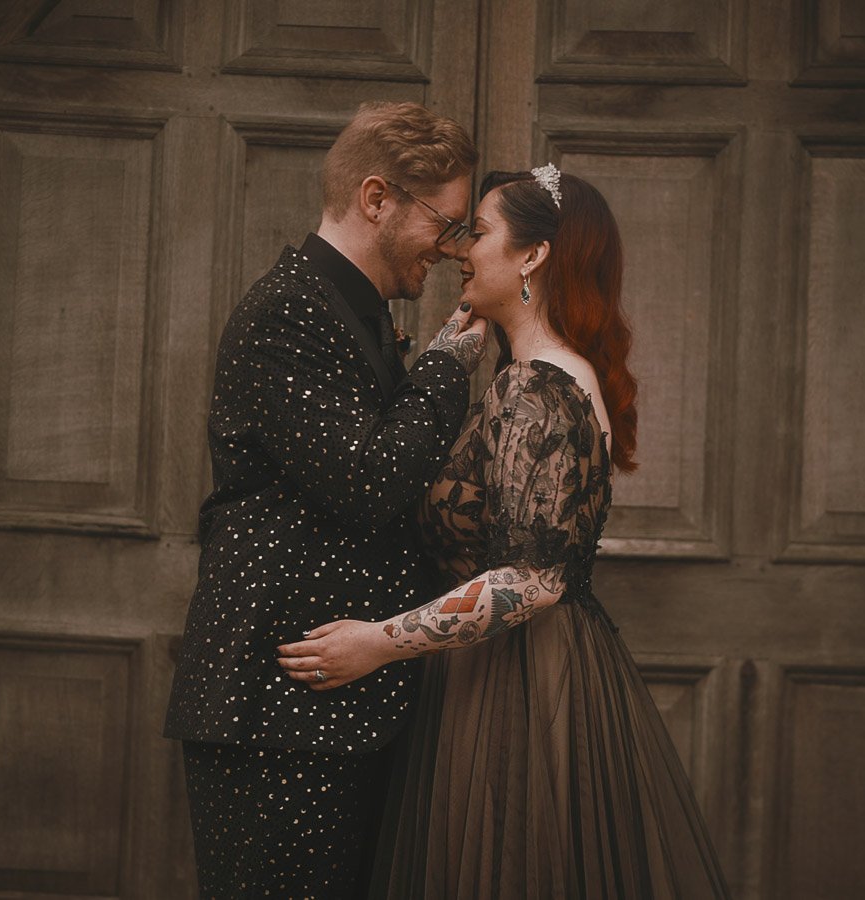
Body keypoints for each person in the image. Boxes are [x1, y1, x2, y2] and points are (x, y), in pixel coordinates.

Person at [277, 166, 731, 897]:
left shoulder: (537, 385)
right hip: (529, 672)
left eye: (481, 234)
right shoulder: (551, 374)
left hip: (519, 684)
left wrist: (378, 642)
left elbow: (534, 580)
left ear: (533, 256)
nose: (463, 251)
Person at [162, 100, 490, 898]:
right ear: (378, 198)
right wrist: (451, 360)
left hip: (330, 710)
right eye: (445, 226)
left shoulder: (359, 312)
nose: (451, 254)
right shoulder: (288, 311)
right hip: (275, 712)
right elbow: (369, 481)